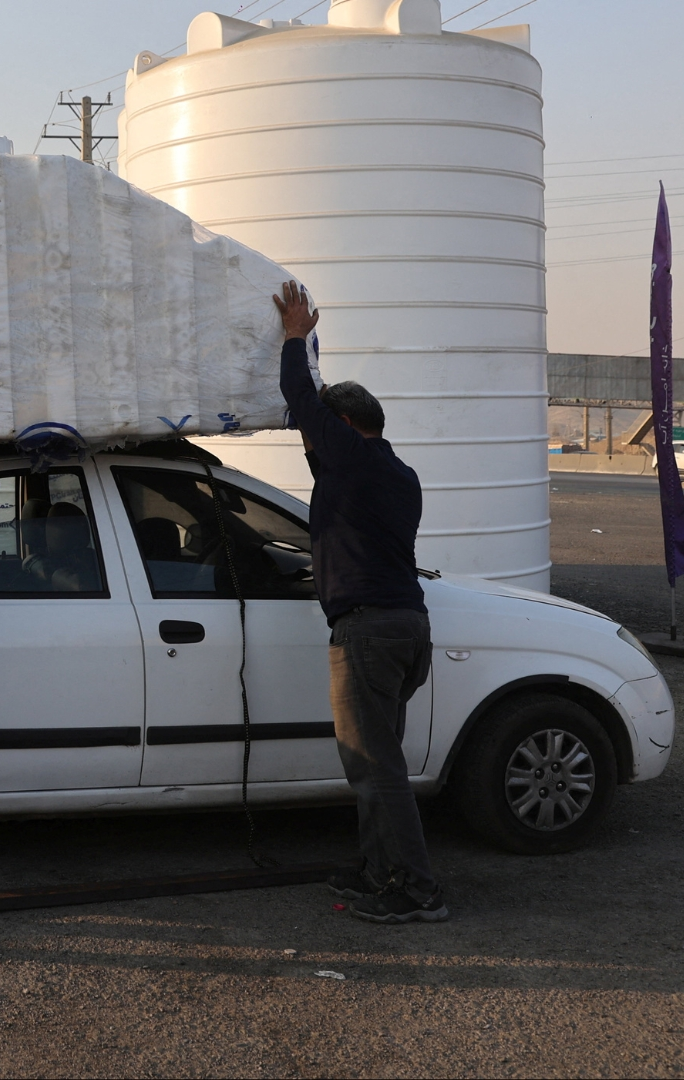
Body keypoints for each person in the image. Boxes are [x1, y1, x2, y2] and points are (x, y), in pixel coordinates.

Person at [273, 280, 447, 925]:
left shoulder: (352, 456)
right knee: (378, 764)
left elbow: (298, 401)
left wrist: (295, 337)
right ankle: (380, 870)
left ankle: (418, 890)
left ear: (344, 427)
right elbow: (315, 443)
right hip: (406, 627)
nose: (310, 436)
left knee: (375, 770)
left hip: (369, 634)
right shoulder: (392, 470)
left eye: (322, 429)